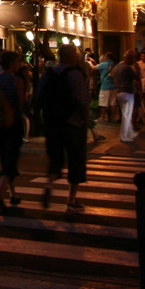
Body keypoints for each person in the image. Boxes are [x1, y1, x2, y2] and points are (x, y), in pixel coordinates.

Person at [36, 44, 92, 213]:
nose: (77, 57)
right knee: (76, 160)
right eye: (75, 54)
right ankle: (71, 199)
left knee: (56, 158)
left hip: (53, 122)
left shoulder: (49, 73)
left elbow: (39, 95)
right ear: (69, 57)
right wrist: (86, 121)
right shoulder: (75, 74)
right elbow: (84, 101)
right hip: (73, 123)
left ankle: (49, 184)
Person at [0, 50, 29, 211]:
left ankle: (12, 194)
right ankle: (0, 191)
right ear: (11, 64)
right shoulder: (16, 80)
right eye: (17, 62)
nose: (19, 65)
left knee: (5, 156)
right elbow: (21, 103)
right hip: (13, 122)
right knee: (12, 159)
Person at [112, 50, 139, 144]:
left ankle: (130, 133)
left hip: (119, 92)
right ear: (128, 59)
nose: (133, 61)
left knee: (125, 114)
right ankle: (124, 136)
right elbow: (136, 76)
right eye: (132, 59)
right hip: (127, 92)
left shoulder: (116, 67)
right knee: (127, 115)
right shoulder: (127, 68)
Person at [95, 52, 116, 122]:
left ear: (107, 57)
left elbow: (94, 68)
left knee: (104, 103)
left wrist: (89, 62)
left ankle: (102, 117)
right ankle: (113, 117)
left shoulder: (104, 64)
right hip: (113, 86)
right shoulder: (114, 65)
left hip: (105, 86)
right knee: (113, 103)